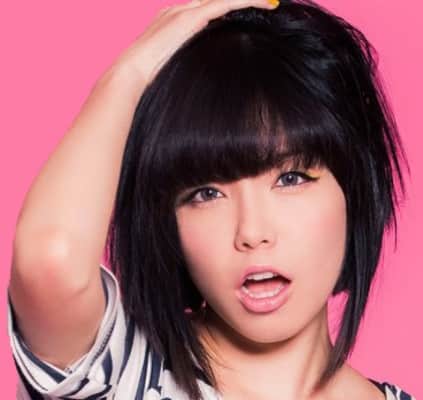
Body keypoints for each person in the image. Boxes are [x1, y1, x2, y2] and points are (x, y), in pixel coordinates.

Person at [6, 0, 416, 399]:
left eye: (290, 179)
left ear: (353, 191)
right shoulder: (122, 374)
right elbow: (50, 260)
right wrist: (129, 75)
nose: (252, 232)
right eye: (207, 194)